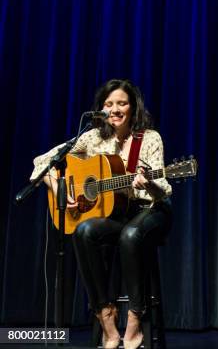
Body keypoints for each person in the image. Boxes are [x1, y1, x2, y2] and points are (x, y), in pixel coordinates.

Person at [30, 79, 172, 349]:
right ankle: (105, 315)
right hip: (117, 215)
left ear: (133, 108)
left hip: (150, 210)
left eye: (122, 103)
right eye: (109, 104)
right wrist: (59, 186)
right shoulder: (92, 137)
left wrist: (148, 182)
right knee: (83, 231)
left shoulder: (149, 138)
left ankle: (134, 318)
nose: (115, 109)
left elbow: (163, 188)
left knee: (131, 235)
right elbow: (41, 163)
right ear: (101, 108)